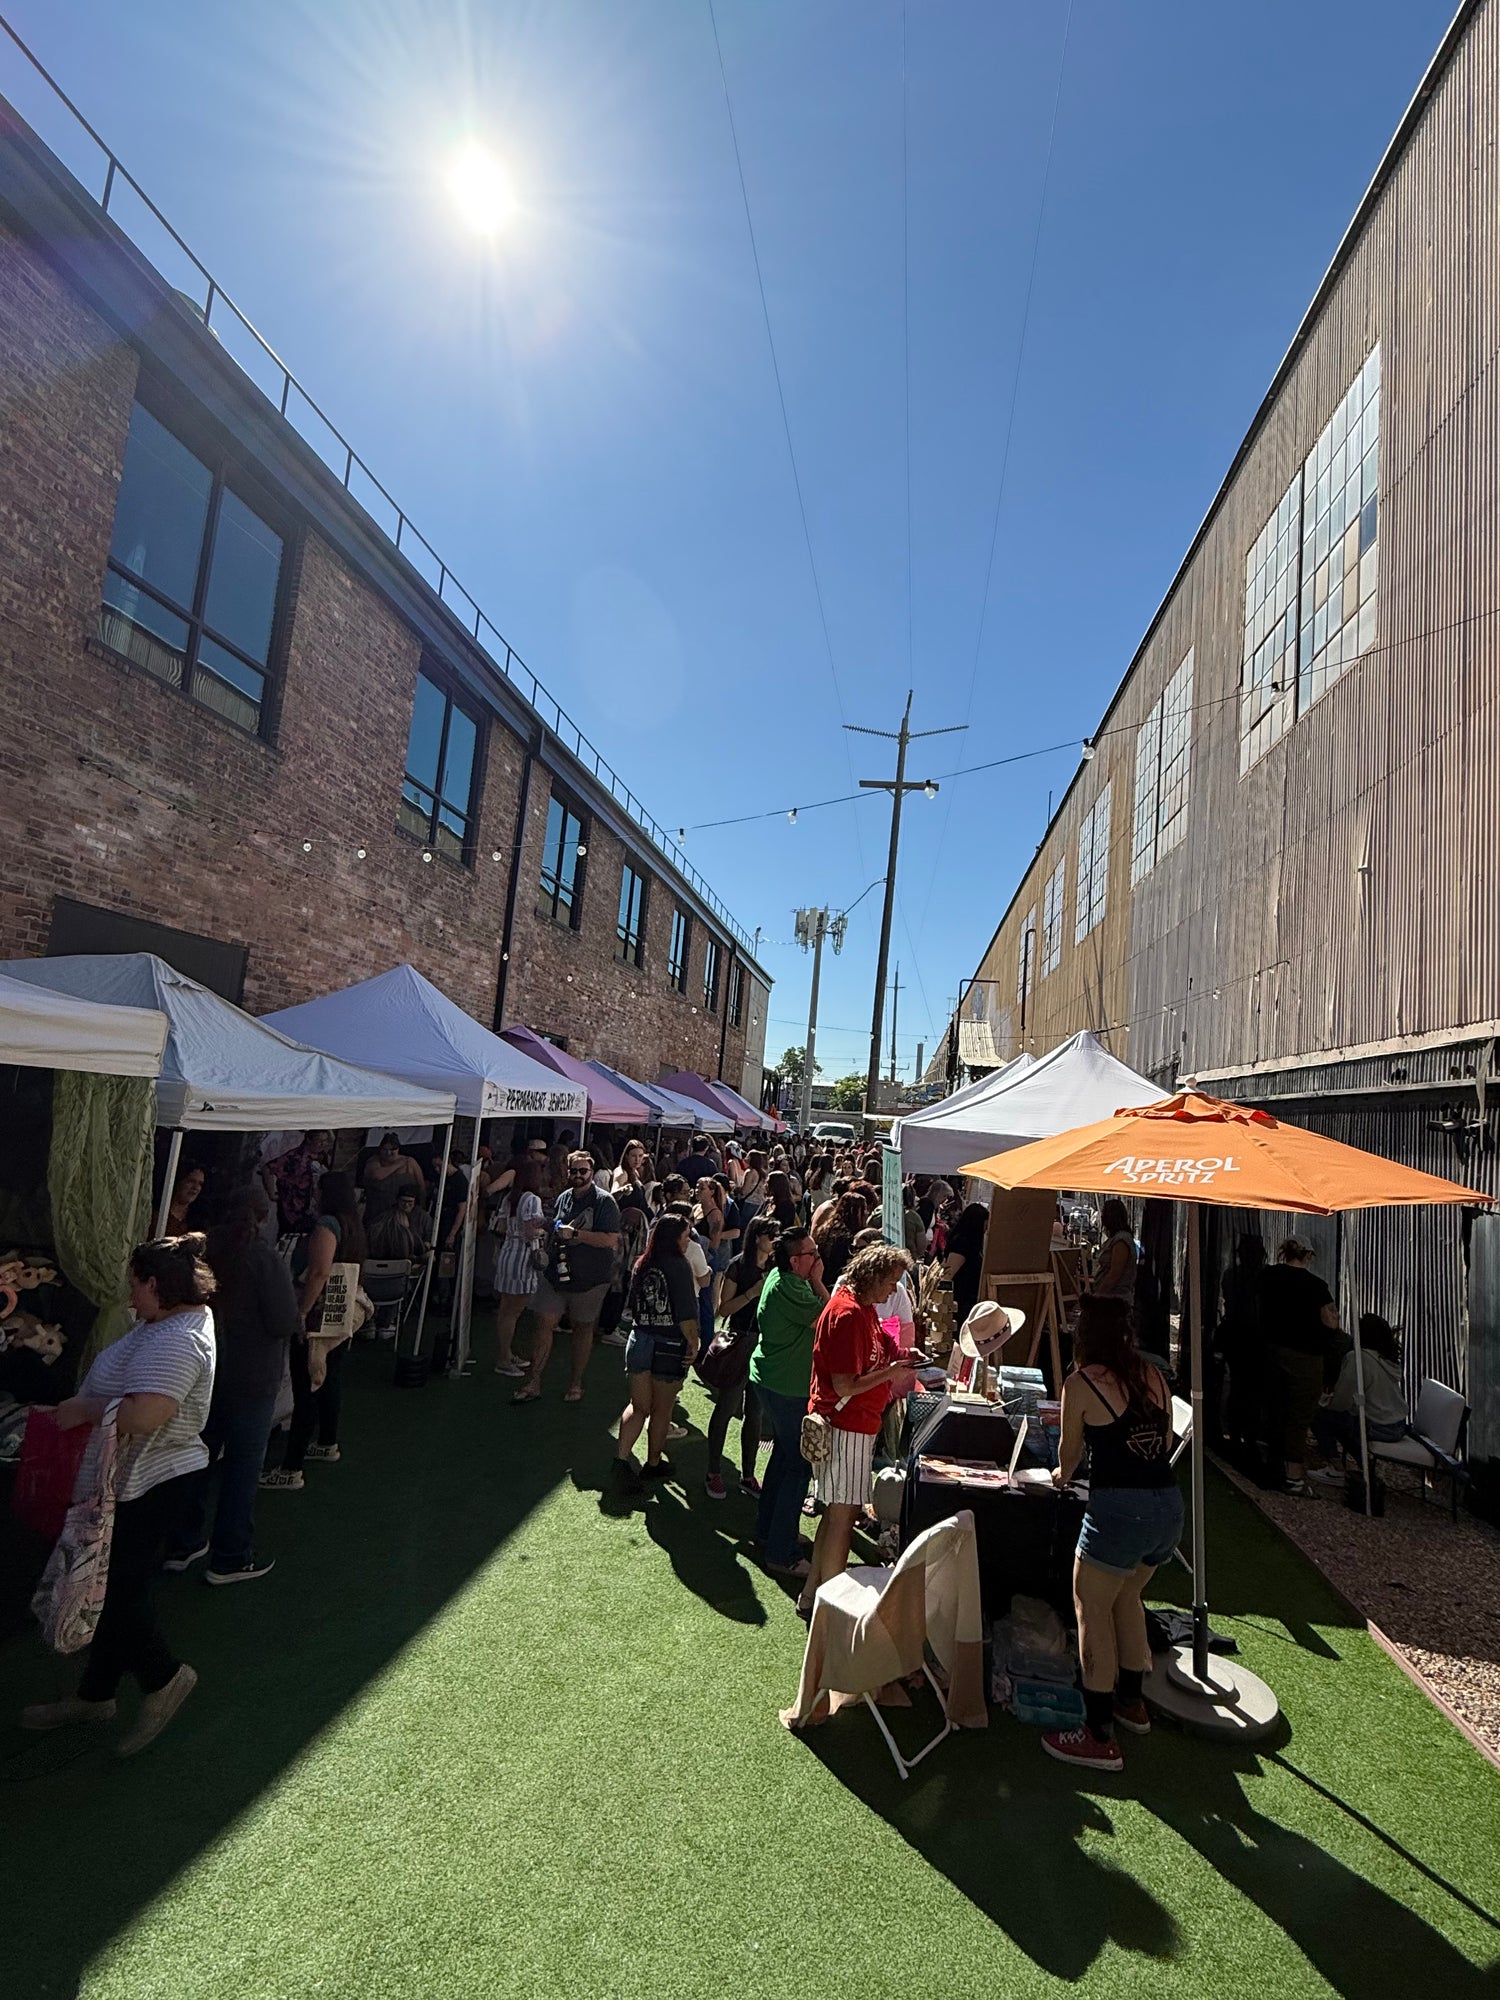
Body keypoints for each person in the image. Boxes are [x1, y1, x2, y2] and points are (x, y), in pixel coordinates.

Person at [23, 1234, 215, 1755]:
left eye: (135, 1285)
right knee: (107, 1588)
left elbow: (147, 1414)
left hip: (154, 1481)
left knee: (113, 1593)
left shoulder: (179, 1339)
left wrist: (84, 1410)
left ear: (157, 1284)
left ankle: (165, 1678)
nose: (130, 1297)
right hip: (134, 1479)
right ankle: (96, 1695)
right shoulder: (165, 1323)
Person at [1041, 1295, 1183, 1773]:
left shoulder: (1081, 1383)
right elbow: (1161, 1445)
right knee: (1128, 1599)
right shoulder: (1154, 1376)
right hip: (1168, 1508)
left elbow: (1069, 1458)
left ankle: (1098, 1734)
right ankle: (1131, 1702)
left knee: (1091, 1610)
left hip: (1121, 1510)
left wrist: (1059, 1478)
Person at [167, 1185, 299, 1585]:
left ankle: (183, 1541)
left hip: (200, 1371)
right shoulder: (262, 1257)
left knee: (196, 1458)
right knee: (243, 1465)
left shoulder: (197, 1251)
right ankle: (231, 1554)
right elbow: (283, 1320)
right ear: (261, 1216)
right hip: (251, 1375)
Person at [796, 1244, 918, 1615]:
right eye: (892, 1282)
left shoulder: (861, 1308)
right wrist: (893, 1371)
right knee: (842, 1517)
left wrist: (901, 1358)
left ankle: (812, 1594)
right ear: (875, 1277)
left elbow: (883, 1348)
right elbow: (845, 1384)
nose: (894, 1292)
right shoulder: (847, 1314)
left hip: (855, 1426)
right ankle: (829, 1603)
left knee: (837, 1515)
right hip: (845, 1427)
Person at [263, 1172, 367, 1490]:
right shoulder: (354, 1224)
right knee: (329, 1378)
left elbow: (320, 1271)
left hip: (319, 1313)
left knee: (305, 1386)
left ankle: (291, 1468)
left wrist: (303, 1311)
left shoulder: (328, 1225)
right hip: (343, 1308)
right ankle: (326, 1442)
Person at [749, 1228, 829, 1579]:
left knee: (783, 1459)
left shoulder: (780, 1279)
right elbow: (829, 1319)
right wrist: (820, 1281)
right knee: (797, 1468)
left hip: (773, 1380)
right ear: (795, 1261)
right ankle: (782, 1553)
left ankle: (770, 1532)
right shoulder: (793, 1287)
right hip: (786, 1386)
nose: (817, 1258)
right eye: (812, 1254)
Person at [513, 1151, 622, 1404]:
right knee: (543, 1323)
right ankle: (533, 1381)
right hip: (557, 1274)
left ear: (591, 1173)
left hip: (590, 1279)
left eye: (582, 1171)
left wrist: (575, 1235)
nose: (577, 1176)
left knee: (582, 1329)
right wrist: (544, 1224)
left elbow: (610, 1240)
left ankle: (575, 1384)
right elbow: (558, 1226)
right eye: (573, 1171)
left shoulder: (604, 1202)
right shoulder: (564, 1197)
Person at [613, 1213, 700, 1488]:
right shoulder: (679, 1266)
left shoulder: (643, 1263)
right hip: (669, 1344)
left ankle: (621, 1459)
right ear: (675, 1238)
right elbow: (686, 1314)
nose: (688, 1242)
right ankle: (653, 1462)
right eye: (686, 1236)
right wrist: (694, 1343)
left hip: (639, 1339)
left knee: (637, 1406)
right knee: (662, 1408)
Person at [1258, 1236, 1341, 1493]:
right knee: (1299, 1415)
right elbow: (1331, 1323)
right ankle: (1293, 1475)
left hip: (1271, 1352)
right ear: (1307, 1256)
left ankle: (1270, 1465)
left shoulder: (1267, 1276)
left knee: (1274, 1408)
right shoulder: (1316, 1286)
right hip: (1306, 1358)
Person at [704, 1216, 775, 1499]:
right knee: (726, 1407)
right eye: (771, 1236)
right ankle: (713, 1472)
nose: (774, 1241)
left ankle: (748, 1474)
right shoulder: (738, 1266)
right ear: (757, 1237)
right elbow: (724, 1308)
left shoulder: (774, 1267)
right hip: (740, 1340)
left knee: (755, 1413)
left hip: (764, 1345)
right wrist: (752, 1293)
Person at [1312, 1313, 1409, 1469]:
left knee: (1319, 1415)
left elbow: (1341, 1402)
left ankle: (1336, 1466)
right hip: (1398, 1425)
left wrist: (1324, 1402)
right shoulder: (1386, 1359)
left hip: (1377, 1426)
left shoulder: (1357, 1359)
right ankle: (1360, 1464)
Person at [490, 1158, 546, 1378]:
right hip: (523, 1256)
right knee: (513, 1312)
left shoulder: (509, 1198)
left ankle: (506, 1352)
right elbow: (531, 1232)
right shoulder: (531, 1199)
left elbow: (502, 1227)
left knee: (505, 1310)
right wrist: (546, 1229)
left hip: (507, 1253)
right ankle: (504, 1359)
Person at [1217, 1233, 1268, 1462]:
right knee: (1251, 1390)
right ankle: (1245, 1436)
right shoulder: (1261, 1278)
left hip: (1238, 1337)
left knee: (1239, 1387)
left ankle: (1238, 1435)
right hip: (1254, 1339)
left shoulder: (1232, 1276)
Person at [261, 1131, 332, 1238]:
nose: (323, 1144)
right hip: (292, 1211)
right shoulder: (295, 1156)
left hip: (312, 1210)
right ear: (309, 1140)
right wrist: (272, 1193)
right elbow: (268, 1168)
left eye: (325, 1141)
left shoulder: (321, 1157)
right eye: (320, 1141)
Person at [940, 1201, 989, 1323]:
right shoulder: (963, 1243)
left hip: (967, 1300)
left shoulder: (969, 1243)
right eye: (985, 1225)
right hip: (960, 1302)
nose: (986, 1229)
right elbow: (948, 1275)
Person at [361, 1132, 425, 1221]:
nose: (388, 1153)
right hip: (378, 1211)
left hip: (403, 1211)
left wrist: (421, 1207)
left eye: (392, 1150)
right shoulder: (374, 1161)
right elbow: (377, 1175)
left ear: (398, 1149)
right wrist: (398, 1165)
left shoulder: (410, 1162)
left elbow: (421, 1186)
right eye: (385, 1149)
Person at [812, 1190, 868, 1291]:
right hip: (837, 1284)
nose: (866, 1213)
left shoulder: (826, 1230)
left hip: (822, 1280)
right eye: (863, 1210)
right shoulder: (850, 1239)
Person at [367, 1186, 434, 1263]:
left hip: (415, 1256)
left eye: (410, 1202)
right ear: (397, 1200)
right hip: (389, 1254)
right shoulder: (387, 1215)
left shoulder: (424, 1218)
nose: (406, 1205)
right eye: (403, 1201)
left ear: (415, 1202)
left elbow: (429, 1239)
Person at [1093, 1198, 1139, 1304]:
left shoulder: (1121, 1240)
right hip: (1108, 1297)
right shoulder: (1114, 1238)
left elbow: (1115, 1274)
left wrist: (1099, 1294)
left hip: (1115, 1300)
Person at [166, 1162, 205, 1235]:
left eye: (200, 1184)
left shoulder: (198, 1220)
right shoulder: (159, 1214)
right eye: (191, 1181)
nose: (195, 1187)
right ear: (179, 1182)